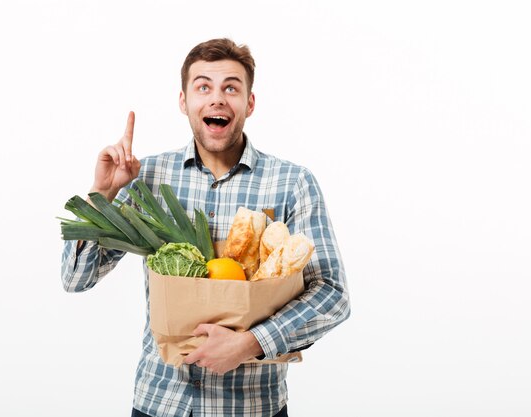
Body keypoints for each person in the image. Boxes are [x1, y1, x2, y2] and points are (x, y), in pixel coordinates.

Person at [61, 38, 350, 417]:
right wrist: (103, 193)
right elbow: (76, 277)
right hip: (159, 401)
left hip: (249, 407)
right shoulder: (146, 177)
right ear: (184, 101)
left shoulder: (291, 182)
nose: (217, 99)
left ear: (249, 103)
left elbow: (332, 293)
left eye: (231, 87)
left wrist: (250, 343)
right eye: (203, 87)